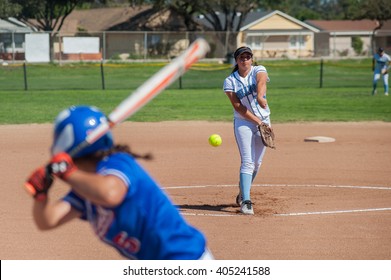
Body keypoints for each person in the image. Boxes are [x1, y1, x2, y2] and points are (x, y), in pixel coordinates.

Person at [24, 105, 213, 260]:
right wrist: (40, 195)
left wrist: (67, 172)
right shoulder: (87, 190)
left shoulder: (119, 163)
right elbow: (47, 221)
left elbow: (110, 194)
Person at [223, 46, 271, 215]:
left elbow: (262, 81)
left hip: (263, 122)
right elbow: (238, 106)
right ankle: (246, 201)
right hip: (244, 123)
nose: (245, 60)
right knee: (248, 161)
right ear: (236, 61)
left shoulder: (259, 69)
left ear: (252, 59)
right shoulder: (230, 81)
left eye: (248, 57)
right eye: (241, 57)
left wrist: (259, 96)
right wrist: (258, 122)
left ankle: (242, 191)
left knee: (257, 163)